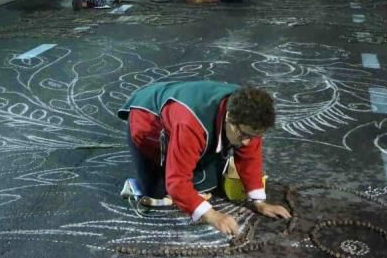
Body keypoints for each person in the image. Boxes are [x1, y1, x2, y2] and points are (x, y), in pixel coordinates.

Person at [117, 81, 291, 234]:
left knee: (207, 186)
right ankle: (136, 187)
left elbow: (250, 157)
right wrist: (212, 216)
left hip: (187, 120)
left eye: (253, 136)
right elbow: (177, 182)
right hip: (148, 122)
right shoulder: (190, 124)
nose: (247, 142)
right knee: (162, 192)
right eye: (244, 135)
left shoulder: (250, 117)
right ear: (229, 118)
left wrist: (258, 201)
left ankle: (199, 161)